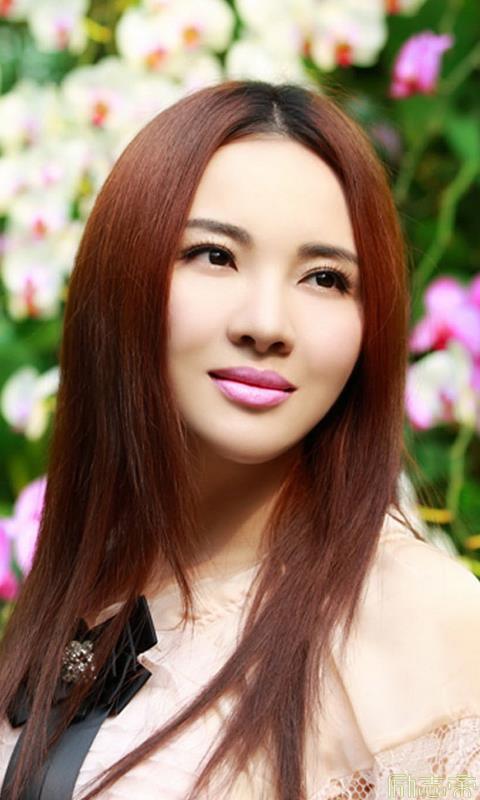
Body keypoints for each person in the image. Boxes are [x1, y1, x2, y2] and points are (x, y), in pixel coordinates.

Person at [0, 79, 478, 800]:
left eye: (325, 278)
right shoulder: (93, 580)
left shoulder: (410, 618)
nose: (266, 323)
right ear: (122, 276)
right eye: (216, 256)